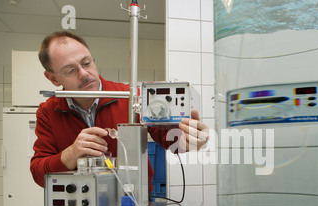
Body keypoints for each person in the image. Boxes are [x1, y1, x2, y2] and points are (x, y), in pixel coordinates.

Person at [30, 31, 209, 192]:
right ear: (52, 78)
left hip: (136, 202)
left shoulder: (131, 98)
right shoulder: (49, 111)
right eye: (70, 70)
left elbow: (168, 138)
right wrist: (70, 154)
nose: (84, 74)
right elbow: (39, 174)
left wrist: (190, 140)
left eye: (87, 63)